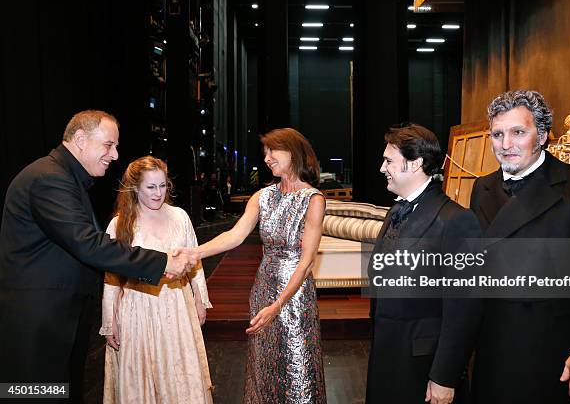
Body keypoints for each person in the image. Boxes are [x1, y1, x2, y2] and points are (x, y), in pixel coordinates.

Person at [0, 110, 195, 402]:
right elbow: (89, 245)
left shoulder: (62, 177)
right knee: (33, 395)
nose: (115, 155)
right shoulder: (49, 179)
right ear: (80, 139)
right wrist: (163, 261)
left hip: (55, 317)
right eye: (108, 145)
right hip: (39, 323)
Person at [469, 90, 570, 403]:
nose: (506, 145)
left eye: (518, 132)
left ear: (544, 135)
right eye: (497, 134)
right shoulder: (482, 187)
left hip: (557, 355)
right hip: (492, 350)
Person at [176, 128, 327, 403]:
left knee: (297, 366)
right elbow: (234, 235)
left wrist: (279, 305)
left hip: (294, 296)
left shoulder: (313, 200)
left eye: (273, 151)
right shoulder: (263, 196)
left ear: (292, 152)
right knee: (264, 364)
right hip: (263, 289)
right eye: (265, 153)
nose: (267, 158)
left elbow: (306, 263)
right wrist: (194, 253)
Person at [365, 124, 482, 404]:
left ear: (415, 163)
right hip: (388, 354)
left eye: (389, 161)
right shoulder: (396, 210)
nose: (382, 168)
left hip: (423, 366)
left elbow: (464, 311)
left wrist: (444, 376)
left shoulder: (457, 220)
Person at [100, 156, 214, 403]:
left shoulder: (180, 216)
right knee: (140, 375)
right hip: (137, 309)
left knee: (180, 372)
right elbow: (111, 278)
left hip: (177, 307)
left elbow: (195, 260)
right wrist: (110, 321)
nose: (158, 193)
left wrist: (200, 298)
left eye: (162, 186)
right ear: (135, 187)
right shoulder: (120, 224)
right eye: (151, 187)